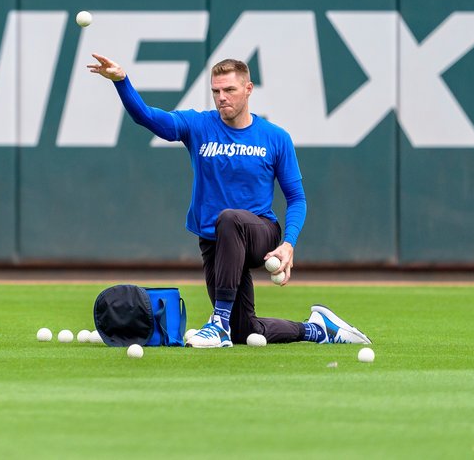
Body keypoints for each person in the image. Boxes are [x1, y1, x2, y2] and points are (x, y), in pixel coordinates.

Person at [87, 54, 372, 349]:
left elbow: (296, 198)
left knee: (230, 219)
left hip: (259, 233)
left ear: (248, 89)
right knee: (245, 331)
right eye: (216, 91)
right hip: (216, 244)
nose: (221, 98)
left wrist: (288, 243)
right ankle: (317, 329)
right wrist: (121, 81)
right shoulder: (198, 125)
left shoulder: (275, 138)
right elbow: (146, 116)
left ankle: (219, 321)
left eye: (229, 90)